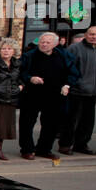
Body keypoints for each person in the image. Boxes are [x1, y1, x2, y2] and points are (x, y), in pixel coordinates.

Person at [17, 32, 78, 160]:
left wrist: (67, 85)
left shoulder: (64, 56)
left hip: (55, 94)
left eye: (47, 42)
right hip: (32, 94)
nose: (44, 44)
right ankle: (27, 149)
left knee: (51, 124)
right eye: (42, 42)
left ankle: (44, 149)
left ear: (55, 44)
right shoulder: (29, 56)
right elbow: (19, 72)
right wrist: (30, 78)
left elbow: (73, 73)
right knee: (27, 123)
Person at [58, 25, 96, 155]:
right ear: (86, 35)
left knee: (87, 121)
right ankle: (65, 145)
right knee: (71, 120)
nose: (94, 37)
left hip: (93, 91)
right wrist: (73, 83)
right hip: (76, 90)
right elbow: (66, 67)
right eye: (91, 34)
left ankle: (81, 144)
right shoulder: (75, 48)